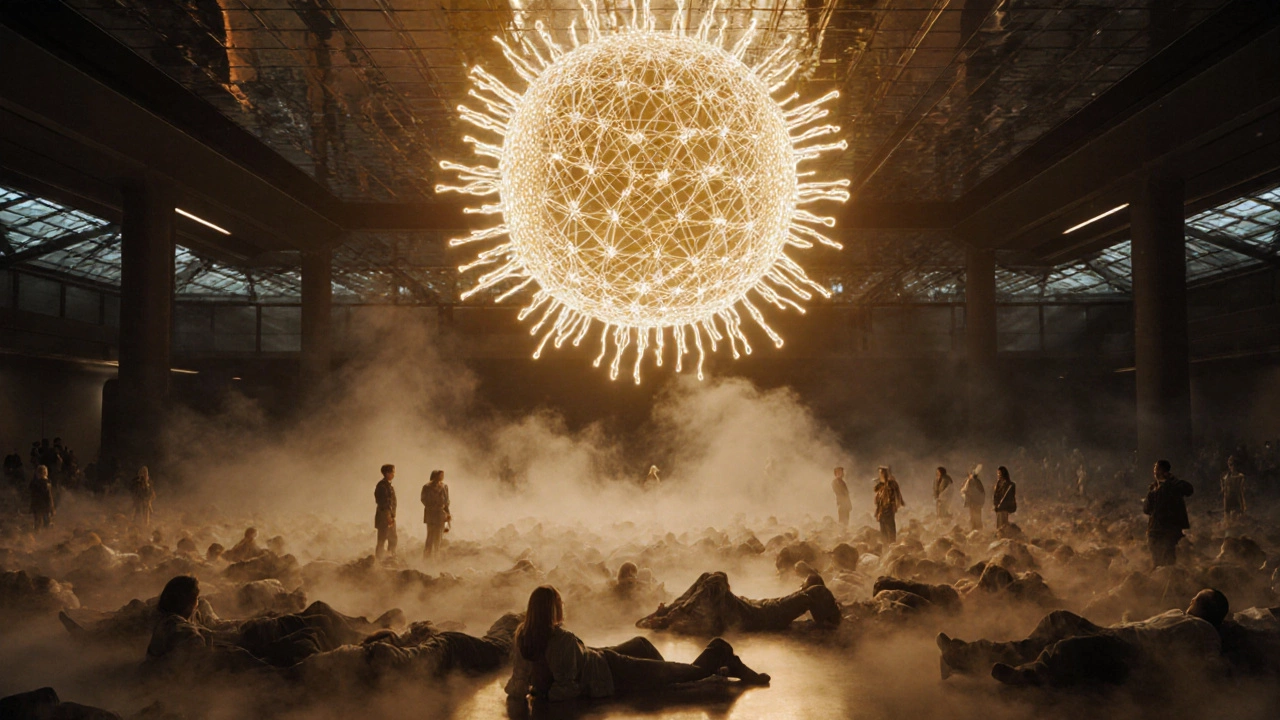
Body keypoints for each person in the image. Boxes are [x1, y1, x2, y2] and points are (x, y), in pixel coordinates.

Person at [505, 585, 769, 703]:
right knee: (681, 673)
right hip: (610, 671)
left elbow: (517, 685)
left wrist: (535, 690)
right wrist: (542, 692)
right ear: (552, 610)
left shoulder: (525, 635)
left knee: (646, 647)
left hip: (601, 660)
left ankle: (681, 676)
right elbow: (567, 687)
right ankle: (720, 652)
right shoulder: (557, 640)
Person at [936, 589, 1228, 687]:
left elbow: (1209, 665)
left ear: (1207, 608)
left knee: (1067, 647)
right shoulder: (1179, 614)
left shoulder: (1206, 633)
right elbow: (1144, 625)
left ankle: (1026, 677)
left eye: (1197, 598)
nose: (1191, 600)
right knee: (1058, 619)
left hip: (1134, 654)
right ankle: (963, 655)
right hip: (1116, 635)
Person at [636, 571, 841, 636]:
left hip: (755, 615)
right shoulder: (788, 600)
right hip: (746, 609)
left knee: (717, 577)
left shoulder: (792, 604)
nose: (799, 585)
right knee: (708, 576)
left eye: (803, 584)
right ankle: (668, 612)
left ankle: (671, 616)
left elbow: (818, 592)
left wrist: (831, 620)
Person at [1143, 459, 1193, 568]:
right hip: (1155, 530)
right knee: (1156, 561)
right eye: (1155, 469)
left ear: (1165, 471)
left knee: (1169, 560)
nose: (1155, 472)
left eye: (1157, 469)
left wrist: (1173, 480)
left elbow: (1189, 490)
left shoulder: (1173, 485)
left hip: (1169, 530)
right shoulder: (1153, 488)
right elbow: (1146, 509)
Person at [420, 469, 450, 559]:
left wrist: (447, 513)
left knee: (439, 536)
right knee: (430, 536)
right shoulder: (427, 487)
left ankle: (436, 556)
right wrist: (432, 506)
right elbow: (423, 499)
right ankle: (427, 557)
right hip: (431, 514)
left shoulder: (444, 486)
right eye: (440, 475)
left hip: (441, 514)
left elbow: (447, 501)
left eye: (442, 475)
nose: (442, 477)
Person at [873, 466, 905, 543]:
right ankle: (885, 546)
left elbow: (894, 496)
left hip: (889, 509)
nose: (880, 474)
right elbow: (876, 493)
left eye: (881, 473)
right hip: (881, 510)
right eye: (879, 473)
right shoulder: (881, 485)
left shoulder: (891, 484)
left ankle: (891, 544)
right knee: (883, 530)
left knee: (890, 528)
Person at [374, 464, 398, 560]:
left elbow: (393, 502)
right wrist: (388, 516)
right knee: (382, 539)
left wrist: (392, 515)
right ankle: (380, 560)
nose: (394, 474)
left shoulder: (388, 485)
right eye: (392, 472)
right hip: (384, 516)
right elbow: (383, 502)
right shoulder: (382, 486)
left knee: (393, 539)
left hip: (389, 516)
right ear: (387, 473)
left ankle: (390, 558)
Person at [29, 465, 55, 531]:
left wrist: (32, 507)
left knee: (37, 524)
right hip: (45, 507)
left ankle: (38, 537)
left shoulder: (34, 483)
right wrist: (52, 508)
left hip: (37, 507)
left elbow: (32, 496)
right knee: (46, 524)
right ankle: (46, 537)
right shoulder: (46, 483)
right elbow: (49, 497)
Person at [1221, 455, 1246, 521]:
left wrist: (1242, 507)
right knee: (1228, 522)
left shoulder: (1240, 476)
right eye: (1231, 464)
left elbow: (1241, 491)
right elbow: (1224, 492)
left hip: (1237, 502)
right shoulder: (1225, 477)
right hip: (1228, 502)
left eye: (1234, 464)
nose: (1232, 467)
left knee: (1237, 521)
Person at [961, 466, 985, 530]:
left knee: (976, 516)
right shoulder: (970, 481)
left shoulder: (975, 482)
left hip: (975, 501)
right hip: (972, 501)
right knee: (973, 516)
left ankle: (977, 529)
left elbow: (980, 492)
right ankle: (974, 528)